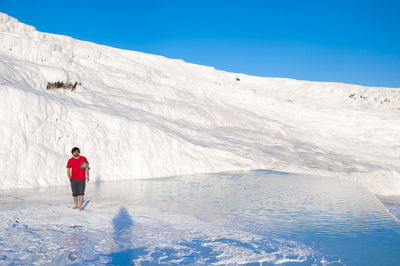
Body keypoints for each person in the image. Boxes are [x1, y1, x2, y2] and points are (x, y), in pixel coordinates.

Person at [66, 147, 90, 211]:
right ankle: (76, 205)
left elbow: (86, 167)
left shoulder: (83, 158)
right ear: (72, 153)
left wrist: (88, 176)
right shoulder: (70, 160)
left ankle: (80, 206)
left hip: (82, 179)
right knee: (74, 193)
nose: (76, 153)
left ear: (78, 152)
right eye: (74, 152)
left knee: (81, 193)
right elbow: (68, 169)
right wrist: (69, 176)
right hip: (73, 179)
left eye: (77, 151)